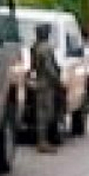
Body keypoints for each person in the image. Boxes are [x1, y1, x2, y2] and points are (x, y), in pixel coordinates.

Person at [31, 23, 62, 154]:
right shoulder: (45, 48)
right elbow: (50, 68)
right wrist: (57, 80)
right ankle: (42, 142)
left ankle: (42, 141)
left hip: (40, 81)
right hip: (46, 83)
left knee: (42, 112)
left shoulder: (35, 47)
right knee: (45, 113)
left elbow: (33, 66)